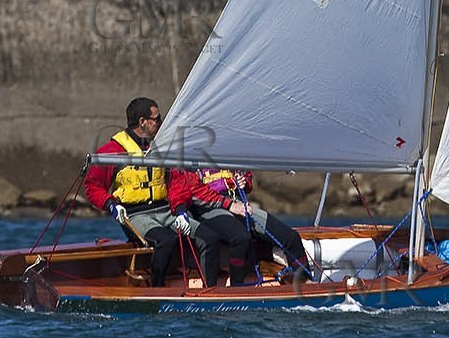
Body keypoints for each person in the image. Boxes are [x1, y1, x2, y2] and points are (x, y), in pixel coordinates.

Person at [84, 97, 187, 288]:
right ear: (142, 122)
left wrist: (180, 209)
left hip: (164, 210)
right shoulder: (112, 151)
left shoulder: (161, 148)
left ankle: (206, 284)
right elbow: (93, 187)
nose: (161, 123)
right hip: (133, 215)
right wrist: (111, 205)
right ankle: (158, 288)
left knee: (204, 235)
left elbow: (177, 181)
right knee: (165, 240)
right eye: (158, 119)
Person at [168, 165, 312, 285]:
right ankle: (237, 287)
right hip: (209, 208)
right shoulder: (193, 150)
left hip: (237, 203)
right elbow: (192, 190)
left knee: (291, 237)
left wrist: (245, 181)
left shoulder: (230, 146)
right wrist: (229, 205)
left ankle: (305, 281)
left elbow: (247, 174)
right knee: (240, 238)